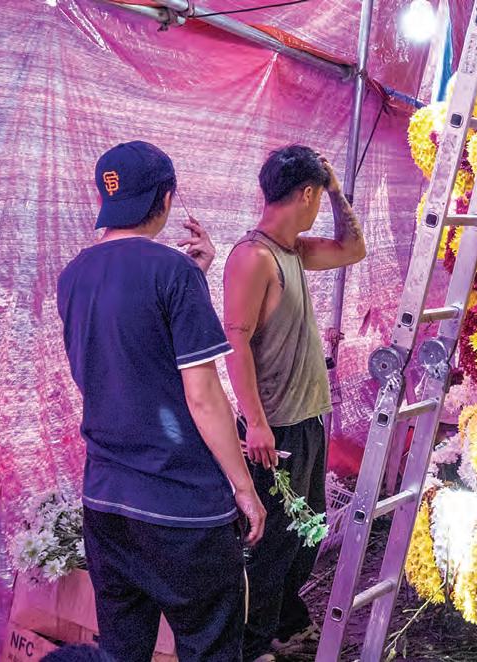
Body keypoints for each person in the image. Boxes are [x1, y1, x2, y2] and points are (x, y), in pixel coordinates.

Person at [57, 141, 266, 662]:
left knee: (121, 651)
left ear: (106, 200)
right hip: (181, 508)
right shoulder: (173, 273)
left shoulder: (74, 275)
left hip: (107, 504)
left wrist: (194, 277)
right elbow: (204, 396)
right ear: (166, 199)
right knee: (209, 647)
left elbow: (127, 358)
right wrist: (244, 488)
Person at [223, 145, 366, 661]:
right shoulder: (253, 257)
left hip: (307, 422)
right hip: (275, 429)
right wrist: (256, 423)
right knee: (272, 543)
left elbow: (353, 249)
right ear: (305, 194)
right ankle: (252, 645)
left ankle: (285, 622)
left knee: (306, 535)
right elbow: (234, 341)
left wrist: (336, 191)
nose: (319, 205)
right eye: (319, 196)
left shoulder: (294, 251)